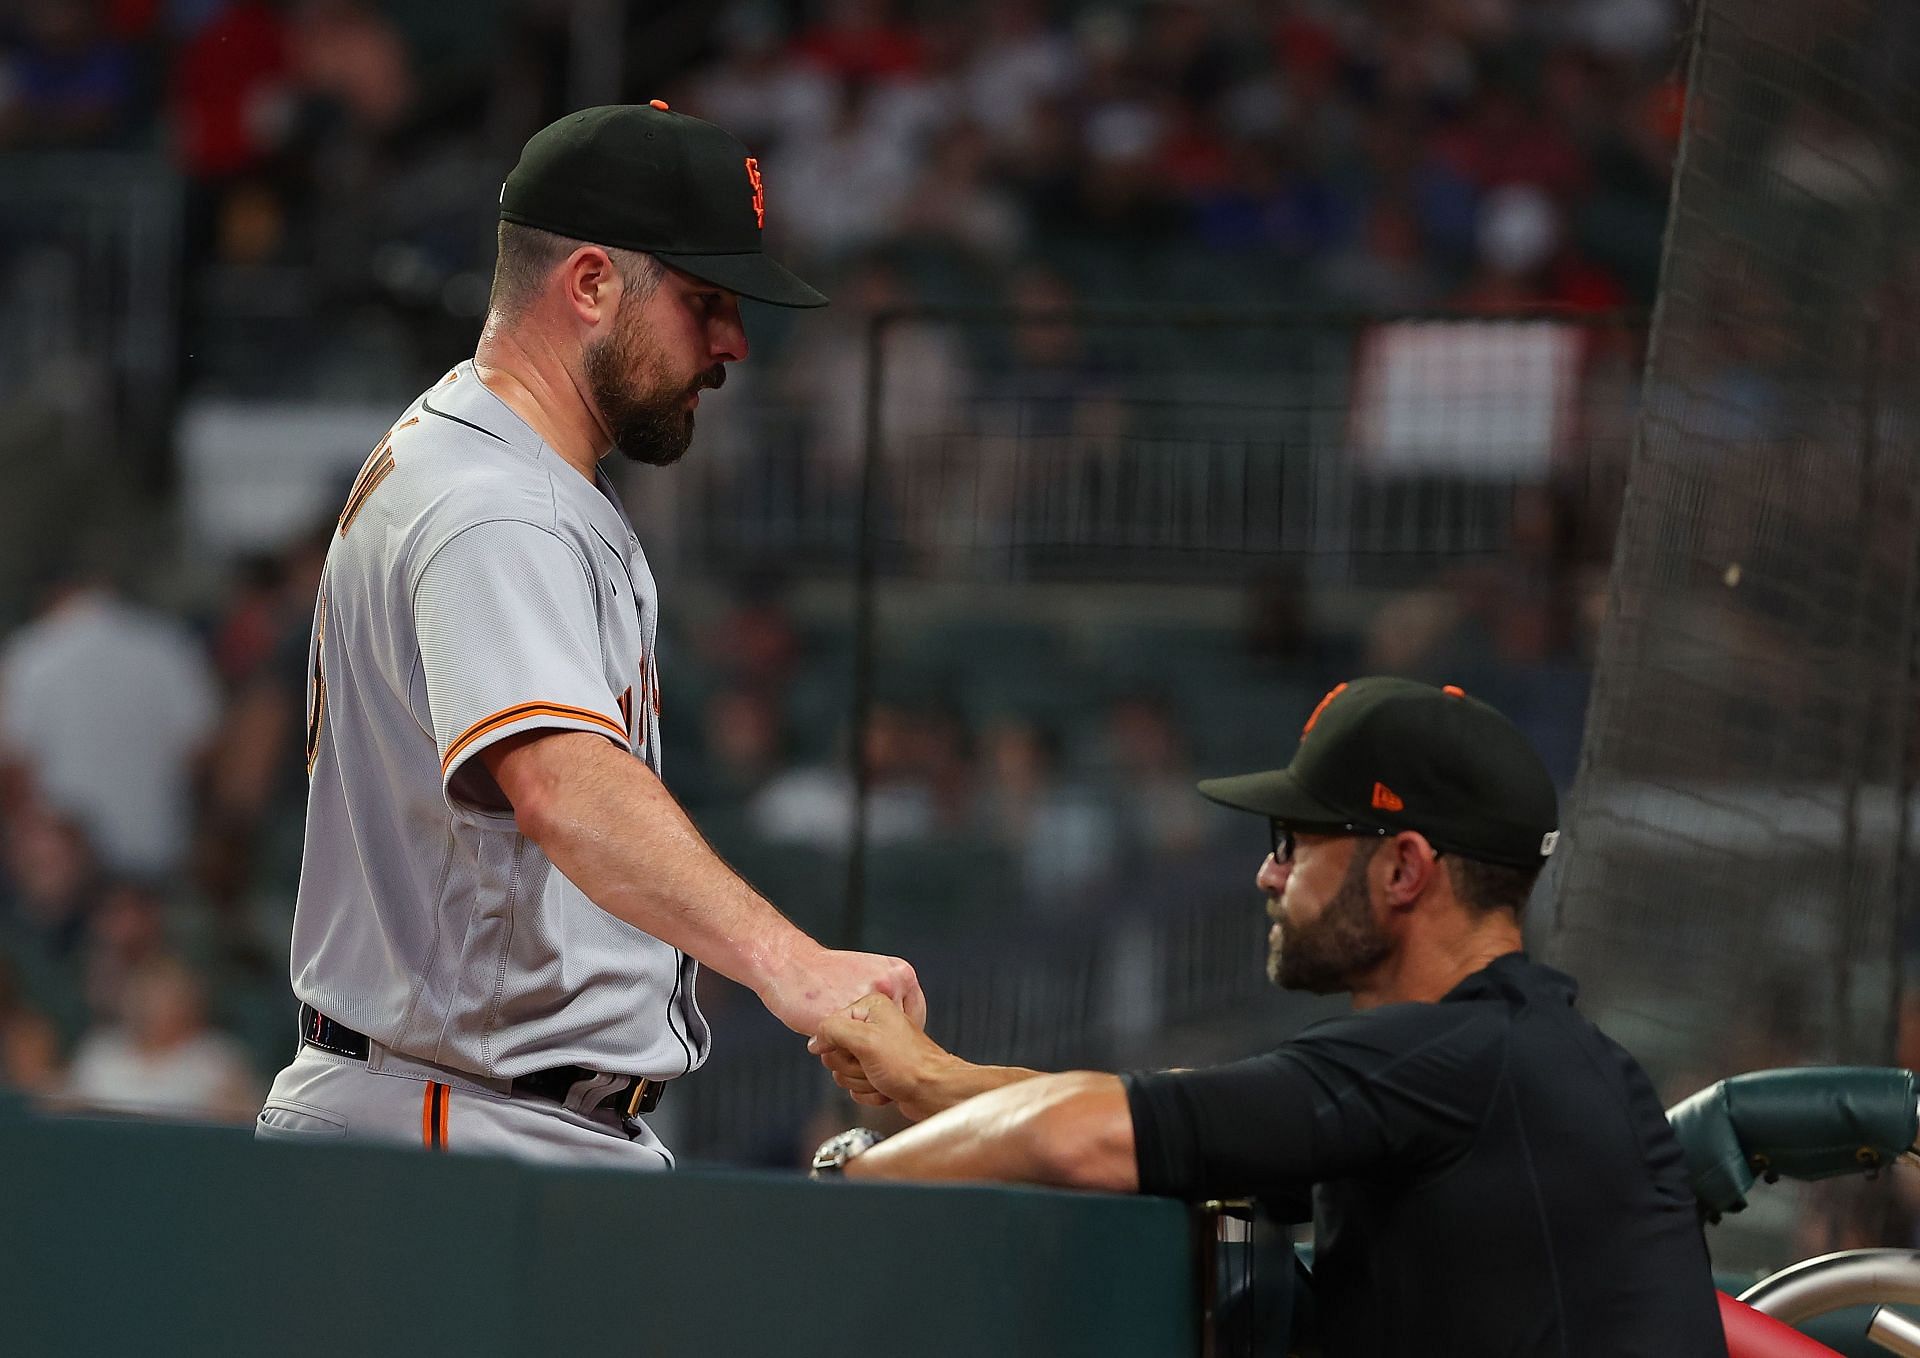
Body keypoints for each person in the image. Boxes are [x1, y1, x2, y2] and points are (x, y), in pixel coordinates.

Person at [257, 103, 924, 1169]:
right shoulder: (492, 503)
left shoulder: (510, 466)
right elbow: (563, 785)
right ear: (591, 284)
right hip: (455, 1128)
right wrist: (791, 964)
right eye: (706, 302)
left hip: (487, 1114)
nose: (734, 343)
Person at [807, 677, 1728, 1356]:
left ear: (1404, 870)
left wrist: (843, 1192)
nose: (1267, 875)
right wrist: (939, 1079)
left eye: (1294, 843)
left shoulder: (1458, 1060)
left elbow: (1087, 1138)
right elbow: (1161, 1114)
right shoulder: (1509, 1055)